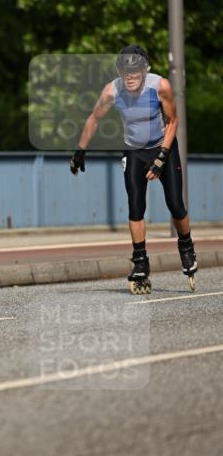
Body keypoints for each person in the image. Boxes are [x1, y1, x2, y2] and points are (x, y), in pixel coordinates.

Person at [69, 44, 197, 293]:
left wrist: (161, 157)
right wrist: (79, 151)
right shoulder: (112, 90)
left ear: (145, 70)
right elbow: (94, 118)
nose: (130, 78)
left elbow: (173, 121)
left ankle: (186, 245)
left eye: (135, 73)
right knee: (135, 204)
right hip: (134, 150)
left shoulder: (160, 86)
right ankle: (140, 261)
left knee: (175, 204)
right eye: (125, 73)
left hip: (163, 146)